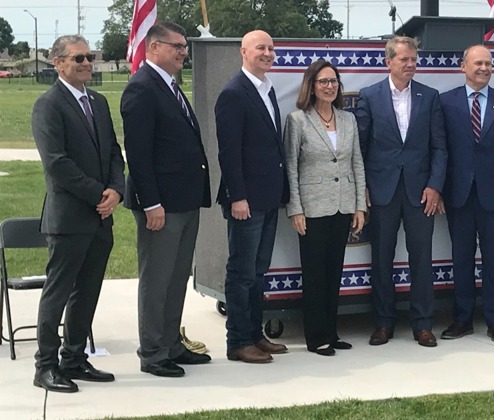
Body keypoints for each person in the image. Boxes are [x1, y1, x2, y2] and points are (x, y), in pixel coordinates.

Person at [30, 34, 125, 393]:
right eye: (79, 58)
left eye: (90, 57)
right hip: (70, 219)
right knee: (58, 293)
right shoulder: (48, 105)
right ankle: (46, 366)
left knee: (87, 292)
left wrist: (117, 190)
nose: (87, 63)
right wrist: (99, 193)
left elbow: (114, 151)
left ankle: (74, 358)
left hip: (102, 217)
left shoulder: (98, 102)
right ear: (58, 63)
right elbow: (57, 164)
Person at [121, 22, 212, 377]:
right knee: (157, 280)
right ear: (154, 47)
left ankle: (172, 343)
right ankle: (153, 353)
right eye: (177, 46)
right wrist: (151, 203)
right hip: (161, 206)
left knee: (176, 279)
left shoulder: (169, 86)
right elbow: (139, 154)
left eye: (185, 47)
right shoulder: (142, 88)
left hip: (185, 200)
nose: (183, 52)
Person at [354, 36, 447, 347]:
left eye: (413, 59)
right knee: (381, 259)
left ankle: (423, 324)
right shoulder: (369, 96)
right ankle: (383, 323)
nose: (410, 64)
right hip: (382, 191)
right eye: (404, 59)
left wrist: (435, 185)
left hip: (421, 193)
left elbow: (439, 147)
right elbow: (360, 148)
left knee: (421, 259)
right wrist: (363, 186)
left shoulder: (430, 96)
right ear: (388, 61)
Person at [438, 45, 494, 344]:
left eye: (488, 63)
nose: (484, 68)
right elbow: (440, 150)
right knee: (461, 259)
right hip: (459, 195)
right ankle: (462, 319)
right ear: (463, 66)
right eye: (478, 63)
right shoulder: (445, 102)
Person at [215, 30, 289, 364]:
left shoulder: (266, 90)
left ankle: (255, 333)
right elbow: (228, 153)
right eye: (261, 47)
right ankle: (238, 341)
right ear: (243, 51)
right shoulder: (234, 93)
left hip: (268, 197)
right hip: (246, 201)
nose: (268, 53)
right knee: (242, 272)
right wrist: (237, 196)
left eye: (272, 48)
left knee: (259, 272)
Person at [285, 60, 367, 356]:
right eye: (323, 81)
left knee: (334, 272)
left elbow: (356, 162)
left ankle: (331, 332)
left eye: (333, 81)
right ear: (312, 86)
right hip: (312, 209)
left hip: (343, 206)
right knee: (315, 274)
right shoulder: (298, 121)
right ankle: (315, 336)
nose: (329, 86)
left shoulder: (348, 119)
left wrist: (359, 205)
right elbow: (291, 167)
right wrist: (295, 208)